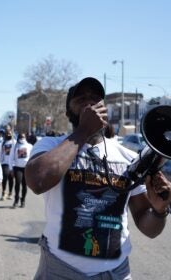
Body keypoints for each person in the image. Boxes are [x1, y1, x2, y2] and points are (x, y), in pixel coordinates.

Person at [25, 77, 171, 279]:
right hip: (60, 271)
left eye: (95, 97)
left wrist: (159, 210)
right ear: (69, 110)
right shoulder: (50, 145)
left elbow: (150, 229)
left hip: (115, 274)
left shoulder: (127, 157)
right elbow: (37, 181)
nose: (89, 101)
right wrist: (84, 130)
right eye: (81, 97)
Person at [9, 132, 33, 208]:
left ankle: (23, 200)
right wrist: (11, 168)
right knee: (17, 183)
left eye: (23, 137)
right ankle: (16, 200)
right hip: (17, 167)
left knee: (24, 185)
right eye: (20, 137)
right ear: (18, 138)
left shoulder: (29, 146)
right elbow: (11, 158)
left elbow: (32, 156)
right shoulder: (15, 146)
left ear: (25, 137)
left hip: (26, 168)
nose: (22, 139)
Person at [0, 127, 16, 200]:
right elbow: (1, 153)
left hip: (12, 163)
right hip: (5, 163)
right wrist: (0, 162)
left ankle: (10, 193)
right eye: (7, 133)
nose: (8, 134)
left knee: (11, 178)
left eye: (9, 133)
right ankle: (3, 192)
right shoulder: (3, 143)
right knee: (5, 177)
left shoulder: (14, 142)